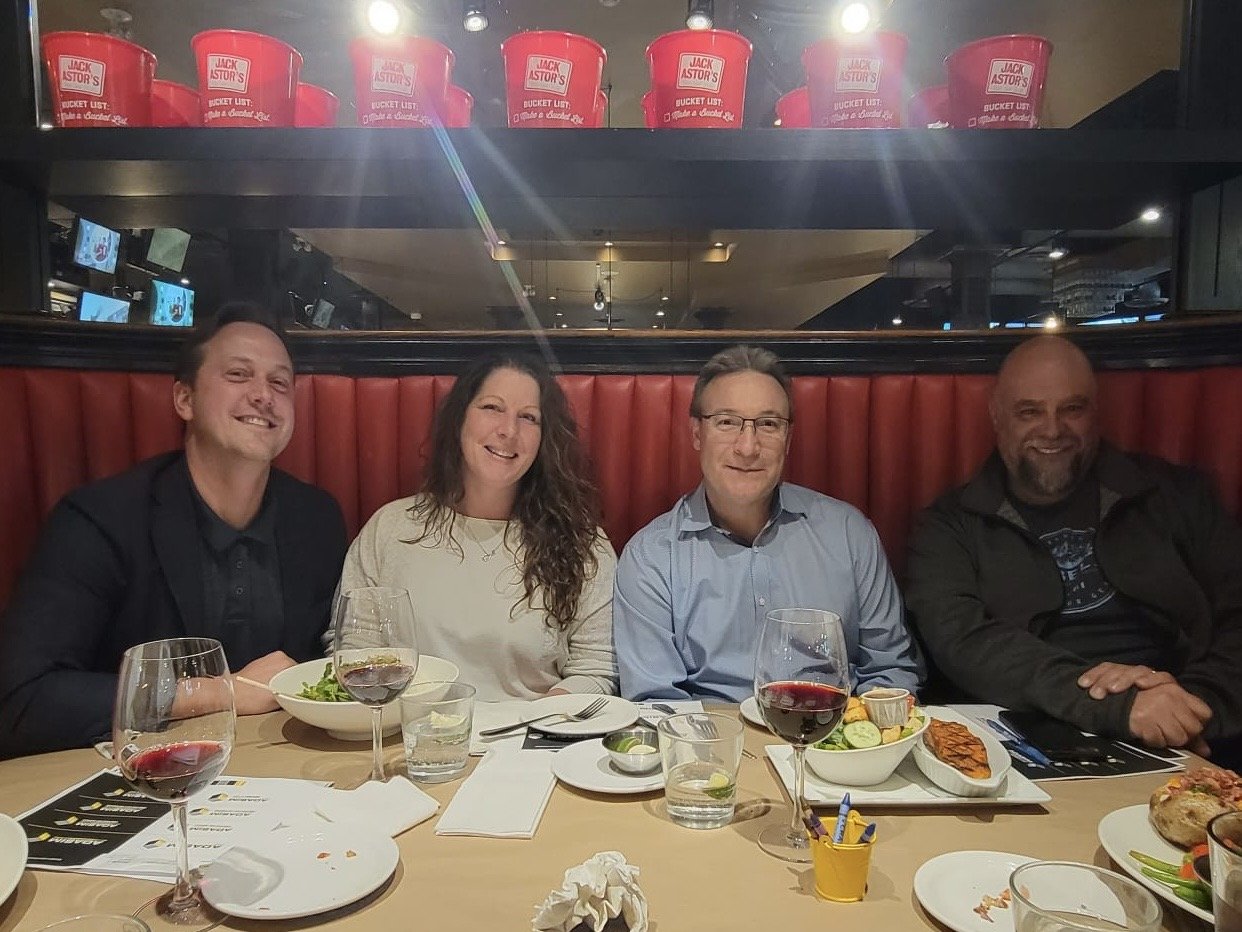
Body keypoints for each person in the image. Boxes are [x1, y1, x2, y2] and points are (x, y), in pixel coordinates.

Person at [0, 303, 348, 759]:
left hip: (284, 773)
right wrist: (219, 692)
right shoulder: (102, 519)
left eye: (280, 382)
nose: (264, 395)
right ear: (184, 399)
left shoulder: (316, 518)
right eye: (239, 375)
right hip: (142, 779)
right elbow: (22, 701)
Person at [906, 335, 1242, 757]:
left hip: (1198, 734)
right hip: (1036, 738)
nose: (1052, 429)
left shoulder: (1177, 496)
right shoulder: (949, 526)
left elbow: (1237, 615)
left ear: (1095, 413)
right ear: (997, 416)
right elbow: (965, 644)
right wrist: (1122, 708)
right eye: (1029, 411)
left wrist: (1191, 711)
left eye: (1072, 409)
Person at [614, 345, 924, 701]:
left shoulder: (849, 535)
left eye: (768, 424)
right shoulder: (650, 558)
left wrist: (854, 745)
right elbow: (658, 703)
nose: (748, 447)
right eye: (727, 422)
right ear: (697, 434)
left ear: (788, 439)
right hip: (711, 748)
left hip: (832, 741)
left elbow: (890, 671)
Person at [336, 354, 617, 700]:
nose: (508, 431)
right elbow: (355, 646)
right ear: (459, 420)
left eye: (528, 417)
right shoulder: (390, 529)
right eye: (492, 407)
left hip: (531, 739)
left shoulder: (583, 545)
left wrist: (542, 719)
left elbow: (597, 667)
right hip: (406, 736)